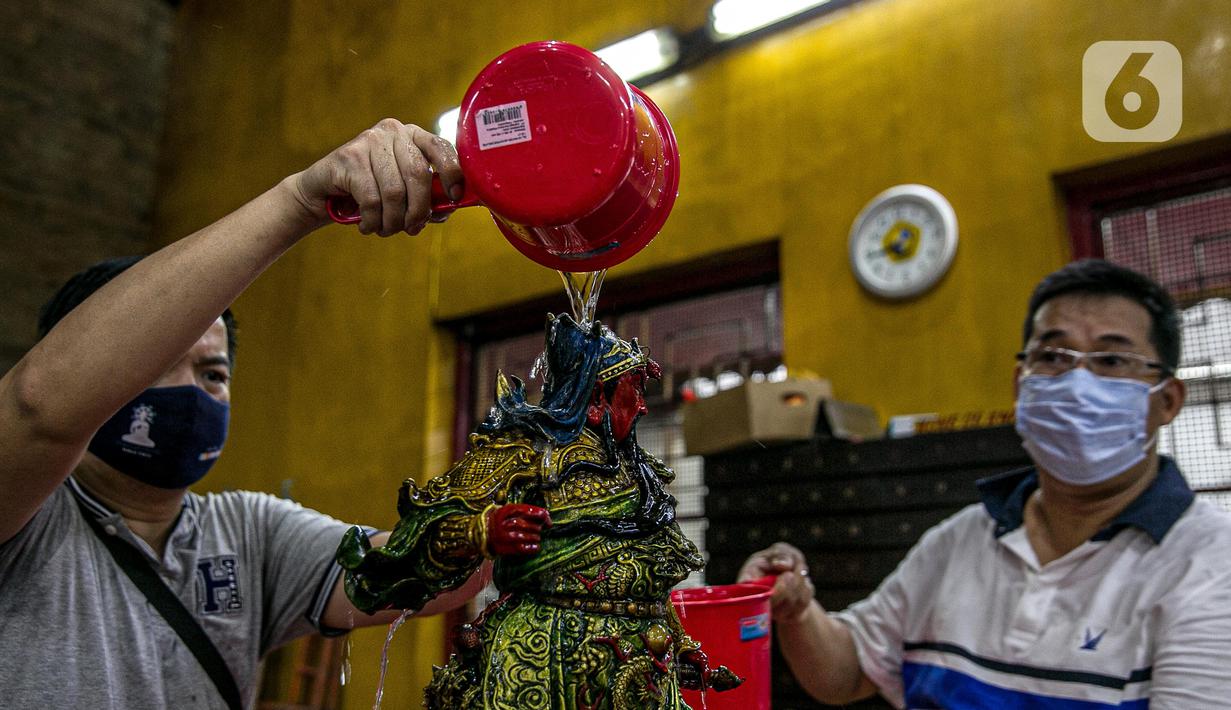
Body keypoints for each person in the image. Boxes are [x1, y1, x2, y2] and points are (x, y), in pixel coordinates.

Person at [0, 119, 491, 709]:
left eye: (213, 374)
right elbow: (37, 405)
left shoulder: (248, 535)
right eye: (157, 368)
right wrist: (301, 200)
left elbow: (420, 572)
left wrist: (526, 514)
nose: (191, 393)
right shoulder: (24, 520)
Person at [738, 259, 1231, 709]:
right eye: (1053, 356)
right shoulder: (962, 540)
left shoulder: (1208, 568)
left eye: (1111, 361)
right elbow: (847, 673)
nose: (1077, 384)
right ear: (1020, 386)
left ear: (1168, 401)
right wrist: (798, 611)